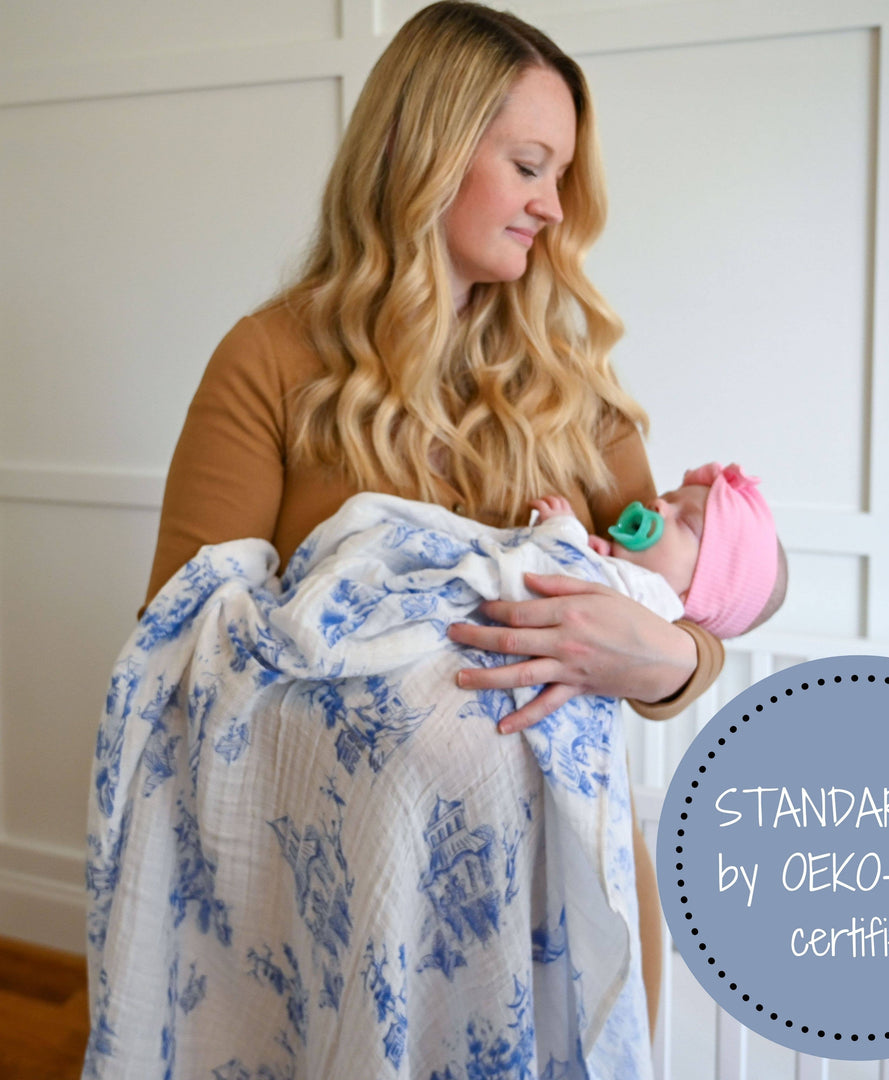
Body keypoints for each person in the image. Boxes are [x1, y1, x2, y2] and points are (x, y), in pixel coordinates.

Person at [140, 0, 727, 1046]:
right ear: (426, 153)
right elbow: (178, 654)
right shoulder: (269, 362)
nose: (553, 206)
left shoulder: (572, 389)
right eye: (531, 166)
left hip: (559, 898)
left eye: (562, 176)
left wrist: (669, 659)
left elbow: (683, 605)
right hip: (352, 908)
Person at [528, 462, 787, 666]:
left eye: (686, 522)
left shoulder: (649, 611)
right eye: (669, 498)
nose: (658, 504)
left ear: (691, 597)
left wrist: (562, 528)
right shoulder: (626, 579)